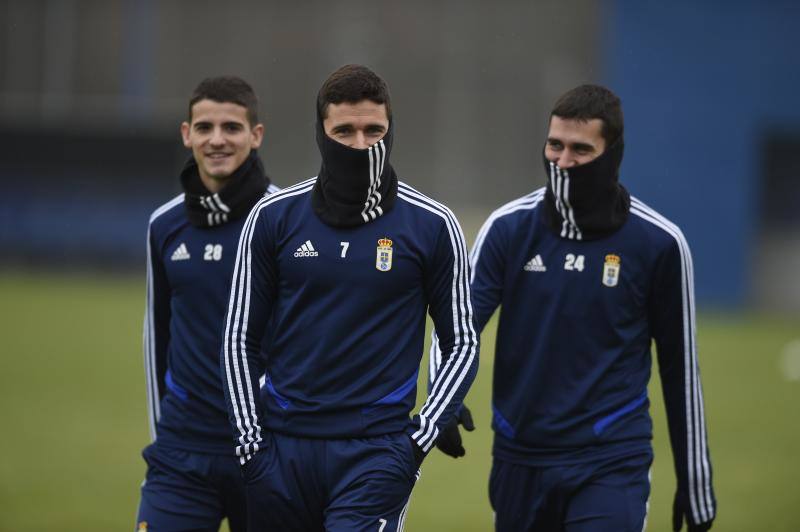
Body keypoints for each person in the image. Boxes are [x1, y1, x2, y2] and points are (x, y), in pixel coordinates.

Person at [435, 84, 716, 531]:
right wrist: (442, 396)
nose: (563, 161)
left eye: (581, 150)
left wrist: (693, 479)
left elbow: (680, 370)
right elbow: (458, 323)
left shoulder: (660, 243)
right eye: (555, 145)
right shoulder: (507, 229)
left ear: (612, 154)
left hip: (610, 459)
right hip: (519, 456)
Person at [220, 64, 479, 531]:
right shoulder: (273, 217)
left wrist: (419, 438)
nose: (360, 144)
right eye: (344, 131)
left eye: (373, 130)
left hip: (376, 454)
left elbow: (461, 340)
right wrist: (250, 443)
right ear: (321, 133)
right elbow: (240, 338)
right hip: (280, 452)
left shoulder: (433, 225)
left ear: (390, 129)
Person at [137, 76, 278, 532]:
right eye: (205, 127)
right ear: (186, 134)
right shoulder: (165, 224)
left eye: (232, 127)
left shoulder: (287, 220)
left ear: (255, 136)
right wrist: (165, 436)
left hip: (267, 450)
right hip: (183, 453)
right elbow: (157, 335)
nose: (217, 139)